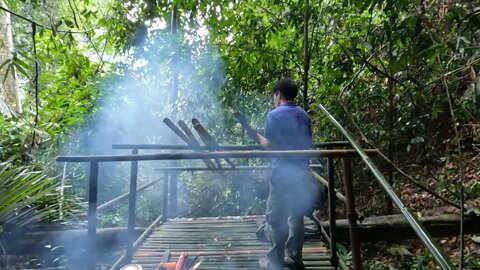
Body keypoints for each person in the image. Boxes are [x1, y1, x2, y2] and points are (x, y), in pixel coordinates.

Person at [252, 78, 321, 270]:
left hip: (282, 173)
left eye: (274, 96)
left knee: (275, 219)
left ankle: (275, 262)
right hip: (300, 172)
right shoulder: (304, 114)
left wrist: (256, 136)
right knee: (296, 218)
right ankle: (294, 260)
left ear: (278, 94)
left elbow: (271, 146)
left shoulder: (274, 115)